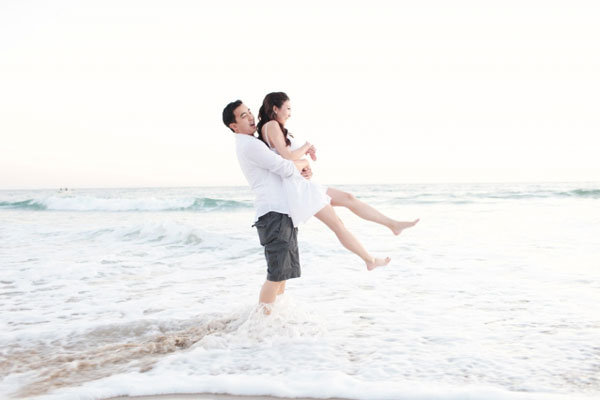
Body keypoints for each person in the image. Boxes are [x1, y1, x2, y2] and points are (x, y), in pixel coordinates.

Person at [256, 92, 419, 271]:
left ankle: (392, 224)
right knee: (338, 225)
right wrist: (306, 147)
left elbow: (287, 159)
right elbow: (287, 156)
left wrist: (305, 162)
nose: (290, 113)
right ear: (275, 109)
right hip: (300, 191)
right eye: (287, 108)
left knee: (349, 198)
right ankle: (369, 260)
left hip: (304, 185)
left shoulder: (274, 127)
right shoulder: (271, 125)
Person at [223, 100, 311, 311]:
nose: (251, 117)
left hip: (281, 213)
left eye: (249, 112)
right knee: (275, 275)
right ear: (233, 126)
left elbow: (288, 168)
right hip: (273, 215)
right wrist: (303, 164)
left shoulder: (255, 143)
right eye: (243, 116)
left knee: (283, 275)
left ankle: (273, 321)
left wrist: (302, 169)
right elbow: (284, 167)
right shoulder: (249, 145)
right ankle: (260, 324)